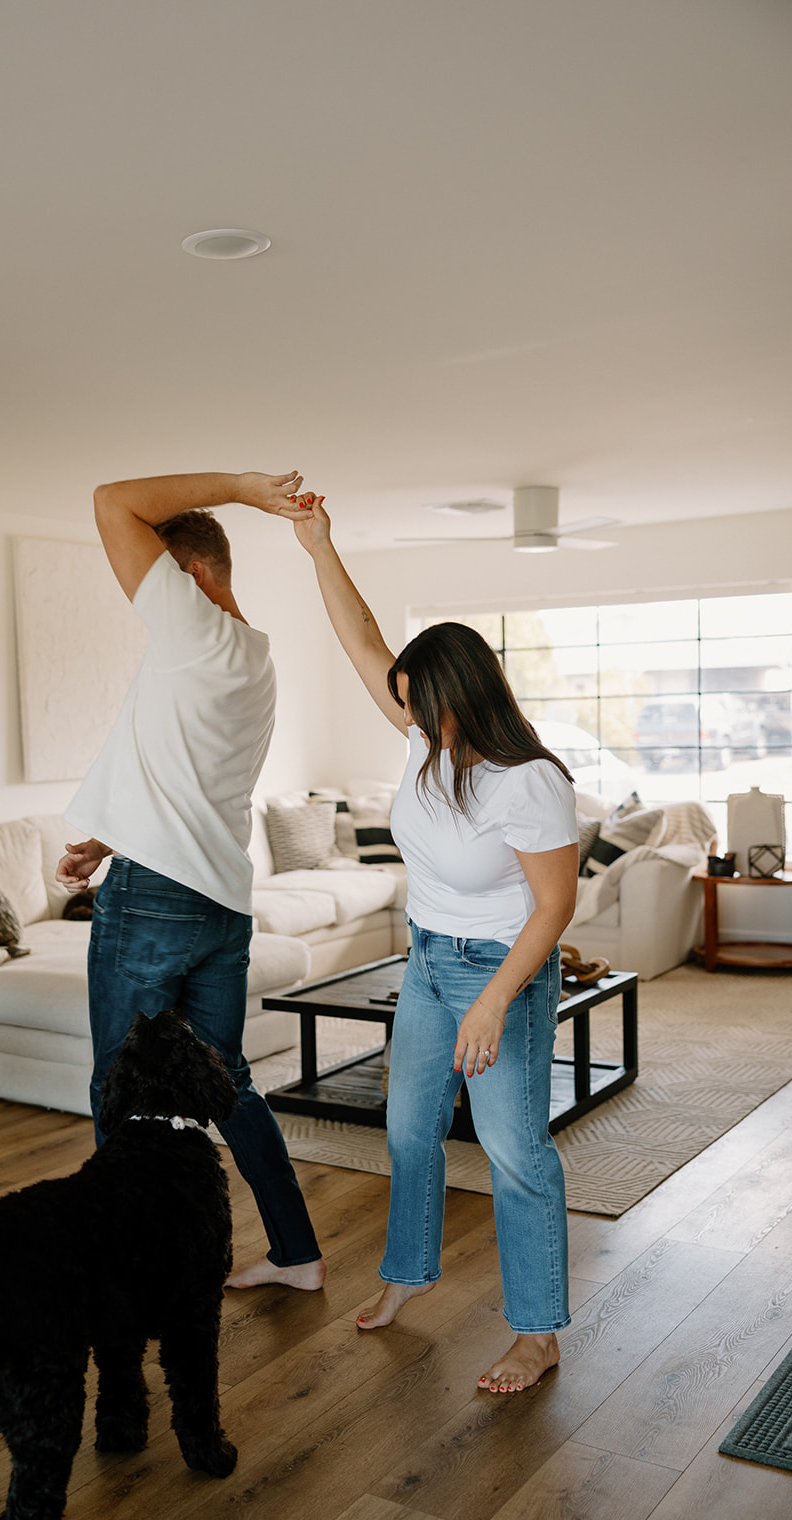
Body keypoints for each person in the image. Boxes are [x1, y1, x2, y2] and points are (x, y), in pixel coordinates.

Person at [290, 490, 578, 1391]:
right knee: (408, 1131)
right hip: (424, 961)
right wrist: (316, 546)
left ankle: (536, 1333)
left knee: (513, 1152)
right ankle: (405, 1274)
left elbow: (553, 908)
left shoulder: (522, 782)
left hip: (501, 973)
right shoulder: (426, 743)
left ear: (462, 696)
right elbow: (363, 637)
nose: (405, 717)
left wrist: (492, 1002)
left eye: (419, 705)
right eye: (403, 705)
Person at [57, 469, 325, 1292]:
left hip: (155, 902)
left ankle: (127, 1265)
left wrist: (245, 487)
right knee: (227, 1081)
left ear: (192, 575)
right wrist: (105, 839)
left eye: (157, 576)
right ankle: (295, 1253)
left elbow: (109, 498)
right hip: (218, 900)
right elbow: (187, 778)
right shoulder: (253, 657)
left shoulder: (190, 627)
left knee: (118, 1082)